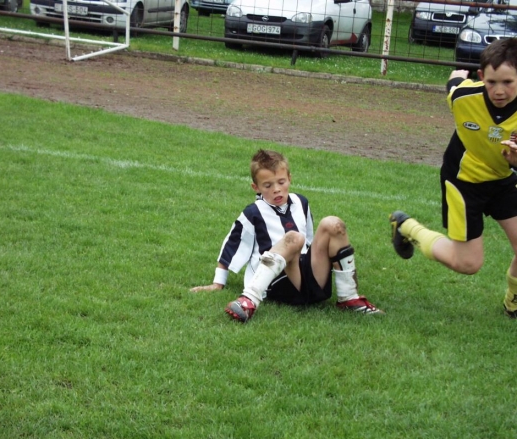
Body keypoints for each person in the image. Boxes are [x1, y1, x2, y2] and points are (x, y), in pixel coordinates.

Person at [389, 38, 517, 318]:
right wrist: (455, 77)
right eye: (492, 82)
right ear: (481, 76)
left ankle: (513, 303)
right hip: (464, 181)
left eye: (508, 82)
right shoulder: (464, 98)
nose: (499, 90)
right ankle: (407, 227)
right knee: (469, 263)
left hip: (504, 179)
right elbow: (454, 85)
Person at [190, 148, 383, 322]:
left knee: (333, 224)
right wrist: (218, 283)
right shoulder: (253, 213)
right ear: (256, 187)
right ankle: (249, 299)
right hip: (276, 282)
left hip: (308, 278)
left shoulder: (301, 202)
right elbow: (231, 245)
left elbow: (310, 241)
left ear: (289, 178)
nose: (276, 189)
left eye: (281, 182)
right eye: (267, 185)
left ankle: (349, 298)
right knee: (294, 238)